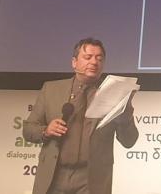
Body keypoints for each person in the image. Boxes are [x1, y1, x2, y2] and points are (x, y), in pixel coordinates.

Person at [23, 37, 138, 194]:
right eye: (88, 57)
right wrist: (46, 130)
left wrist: (125, 114)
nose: (94, 62)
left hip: (91, 180)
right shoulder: (51, 89)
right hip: (54, 174)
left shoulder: (114, 94)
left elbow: (129, 141)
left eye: (99, 59)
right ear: (74, 62)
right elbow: (28, 129)